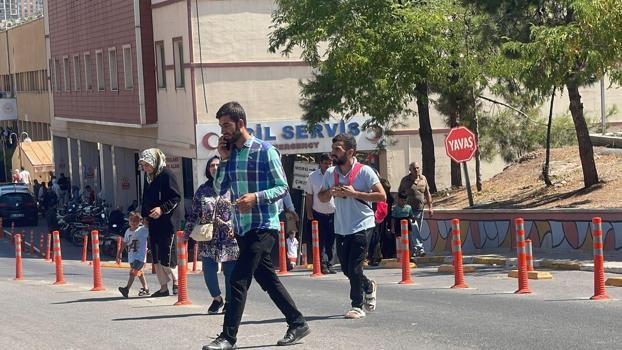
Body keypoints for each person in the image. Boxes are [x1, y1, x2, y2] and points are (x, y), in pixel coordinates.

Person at [204, 102, 309, 350]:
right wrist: (222, 158)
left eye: (227, 125)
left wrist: (255, 198)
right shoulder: (232, 156)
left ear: (241, 123)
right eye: (221, 127)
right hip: (242, 227)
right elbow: (218, 188)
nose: (224, 131)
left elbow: (282, 187)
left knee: (239, 279)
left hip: (264, 225)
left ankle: (228, 337)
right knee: (267, 279)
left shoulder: (265, 151)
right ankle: (297, 322)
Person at [318, 133, 386, 320]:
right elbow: (321, 197)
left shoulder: (365, 171)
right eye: (332, 149)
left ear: (350, 152)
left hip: (363, 224)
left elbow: (381, 196)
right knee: (347, 269)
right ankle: (368, 285)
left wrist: (355, 193)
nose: (333, 153)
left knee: (355, 267)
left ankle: (357, 305)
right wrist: (331, 192)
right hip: (341, 226)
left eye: (337, 150)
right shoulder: (331, 174)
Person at [184, 156, 239, 315]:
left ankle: (229, 302)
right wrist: (186, 234)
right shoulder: (202, 189)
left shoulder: (232, 188)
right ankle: (217, 298)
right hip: (208, 236)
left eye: (217, 165)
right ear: (208, 170)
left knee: (229, 271)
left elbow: (240, 210)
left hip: (229, 236)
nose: (215, 168)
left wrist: (236, 226)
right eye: (212, 166)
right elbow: (194, 213)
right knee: (208, 270)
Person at [139, 148, 181, 298]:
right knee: (155, 255)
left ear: (155, 162)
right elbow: (146, 197)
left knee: (167, 253)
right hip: (153, 222)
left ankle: (177, 282)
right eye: (143, 165)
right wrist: (145, 216)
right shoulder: (148, 177)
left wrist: (162, 209)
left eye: (147, 165)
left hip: (167, 222)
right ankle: (163, 287)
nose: (145, 168)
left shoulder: (167, 175)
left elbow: (175, 197)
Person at [305, 153, 337, 274]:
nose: (328, 165)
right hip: (317, 213)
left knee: (331, 239)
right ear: (320, 163)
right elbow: (309, 196)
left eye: (330, 163)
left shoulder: (336, 175)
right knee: (320, 240)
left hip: (333, 213)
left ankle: (329, 264)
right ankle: (322, 264)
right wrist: (309, 213)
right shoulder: (312, 176)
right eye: (325, 163)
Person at [398, 161, 433, 258]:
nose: (416, 170)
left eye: (417, 168)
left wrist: (430, 207)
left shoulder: (423, 179)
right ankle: (419, 248)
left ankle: (412, 252)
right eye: (414, 168)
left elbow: (427, 193)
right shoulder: (405, 180)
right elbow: (400, 194)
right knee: (414, 227)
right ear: (410, 170)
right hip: (408, 210)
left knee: (415, 230)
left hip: (420, 210)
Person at [118, 211, 150, 298]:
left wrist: (145, 219)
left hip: (140, 257)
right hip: (131, 255)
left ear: (140, 221)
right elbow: (125, 242)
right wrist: (119, 253)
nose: (133, 222)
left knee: (133, 272)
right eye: (131, 220)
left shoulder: (143, 229)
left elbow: (148, 224)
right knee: (139, 273)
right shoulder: (128, 231)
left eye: (135, 220)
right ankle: (146, 288)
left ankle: (126, 289)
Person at [391, 191, 418, 258]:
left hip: (407, 224)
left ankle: (409, 255)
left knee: (407, 239)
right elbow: (393, 218)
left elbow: (411, 215)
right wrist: (392, 227)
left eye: (405, 200)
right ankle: (399, 255)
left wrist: (413, 219)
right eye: (401, 200)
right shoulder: (395, 208)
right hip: (398, 224)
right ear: (398, 200)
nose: (403, 202)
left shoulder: (408, 207)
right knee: (399, 240)